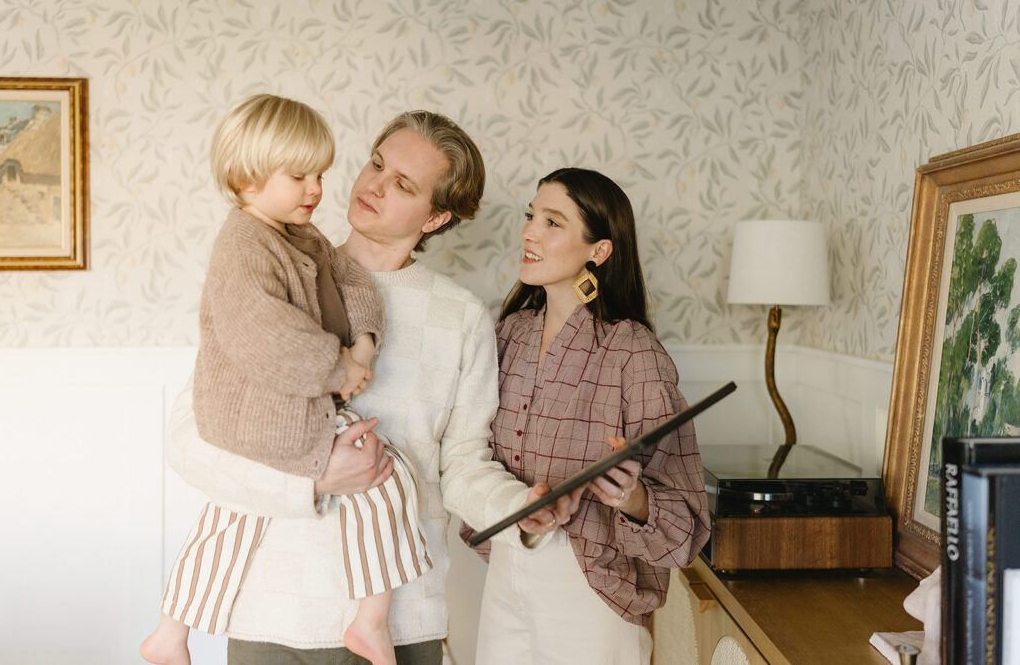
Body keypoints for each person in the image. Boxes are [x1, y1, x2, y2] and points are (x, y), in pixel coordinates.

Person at [160, 110, 580, 664]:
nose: (373, 186)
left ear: (435, 218)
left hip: (402, 622)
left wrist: (519, 507)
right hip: (274, 614)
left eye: (404, 184)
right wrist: (312, 478)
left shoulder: (461, 318)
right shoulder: (271, 273)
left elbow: (463, 465)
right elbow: (194, 438)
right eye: (376, 164)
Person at [140, 94, 435, 665]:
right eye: (298, 175)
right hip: (262, 412)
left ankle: (169, 634)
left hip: (270, 409)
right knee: (387, 475)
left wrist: (366, 337)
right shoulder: (244, 247)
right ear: (248, 178)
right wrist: (340, 366)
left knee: (232, 518)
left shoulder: (298, 234)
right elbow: (267, 335)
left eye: (320, 174)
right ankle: (371, 620)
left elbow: (349, 277)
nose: (315, 190)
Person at [460, 168, 711, 665]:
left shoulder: (633, 352)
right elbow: (473, 455)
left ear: (599, 251)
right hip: (507, 570)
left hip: (592, 589)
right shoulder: (509, 334)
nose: (529, 231)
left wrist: (633, 497)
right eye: (532, 216)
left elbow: (687, 522)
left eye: (553, 222)